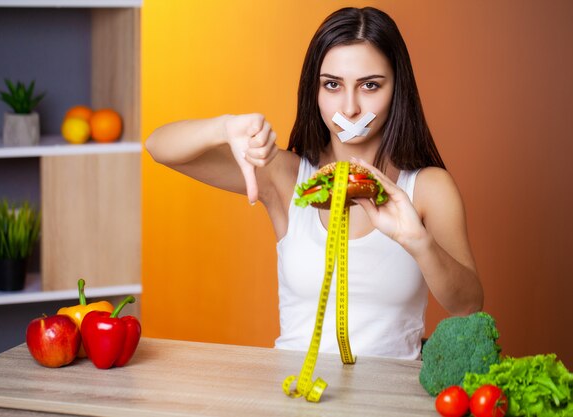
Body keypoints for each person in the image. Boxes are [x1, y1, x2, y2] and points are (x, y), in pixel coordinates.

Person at [146, 7, 483, 360]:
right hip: (297, 396)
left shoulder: (428, 188)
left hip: (389, 401)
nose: (350, 108)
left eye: (370, 85)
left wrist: (419, 242)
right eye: (332, 85)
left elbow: (469, 304)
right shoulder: (287, 176)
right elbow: (159, 147)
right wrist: (223, 127)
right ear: (314, 89)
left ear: (398, 88)